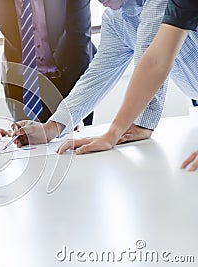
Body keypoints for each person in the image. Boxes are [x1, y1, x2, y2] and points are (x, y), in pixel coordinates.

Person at [12, 0, 198, 164]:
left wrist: (124, 130)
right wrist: (53, 126)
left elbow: (152, 62)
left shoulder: (159, 4)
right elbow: (99, 73)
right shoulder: (116, 19)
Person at [0, 0, 96, 142]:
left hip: (70, 77)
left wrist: (75, 111)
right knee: (28, 147)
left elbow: (79, 42)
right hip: (23, 85)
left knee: (74, 146)